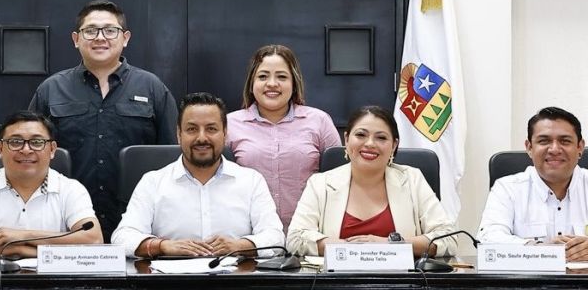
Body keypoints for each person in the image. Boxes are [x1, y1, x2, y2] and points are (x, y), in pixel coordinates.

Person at [29, 0, 178, 241]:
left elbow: (171, 156)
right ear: (76, 39)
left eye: (110, 30)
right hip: (66, 222)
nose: (100, 38)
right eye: (90, 30)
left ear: (125, 38)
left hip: (138, 220)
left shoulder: (152, 88)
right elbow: (31, 153)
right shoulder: (51, 89)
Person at [111, 92, 284, 258]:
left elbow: (275, 236)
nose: (202, 138)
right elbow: (123, 237)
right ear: (179, 134)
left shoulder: (251, 181)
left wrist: (239, 247)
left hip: (235, 276)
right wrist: (163, 246)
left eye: (211, 129)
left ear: (225, 133)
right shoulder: (153, 182)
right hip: (170, 276)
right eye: (192, 129)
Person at [287, 105, 456, 257]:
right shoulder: (320, 184)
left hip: (401, 279)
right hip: (338, 279)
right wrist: (350, 249)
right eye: (361, 135)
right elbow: (295, 239)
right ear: (347, 139)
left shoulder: (413, 179)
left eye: (381, 138)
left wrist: (390, 245)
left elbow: (448, 239)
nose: (370, 143)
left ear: (394, 145)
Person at [0, 111, 102, 257]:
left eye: (37, 142)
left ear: (52, 149)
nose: (26, 150)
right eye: (15, 142)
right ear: (0, 149)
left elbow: (93, 240)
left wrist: (24, 236)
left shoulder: (71, 189)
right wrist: (16, 249)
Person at [227, 44, 340, 230]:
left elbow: (339, 179)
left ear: (294, 84)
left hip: (309, 233)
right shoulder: (229, 125)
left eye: (281, 76)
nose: (272, 83)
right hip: (249, 236)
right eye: (263, 76)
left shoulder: (319, 121)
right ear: (251, 84)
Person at [477, 106, 588, 262]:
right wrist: (540, 250)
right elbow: (487, 238)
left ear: (580, 147)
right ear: (529, 148)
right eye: (544, 141)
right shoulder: (507, 188)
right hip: (527, 277)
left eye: (565, 141)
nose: (554, 149)